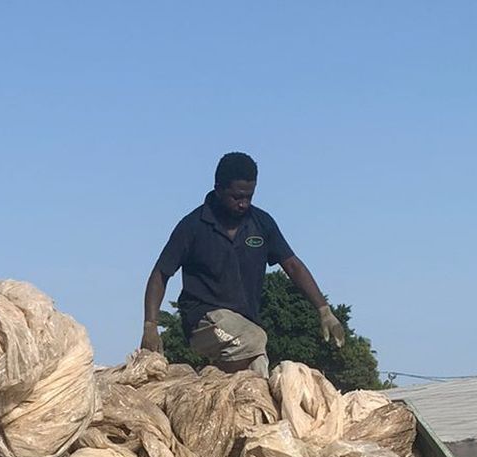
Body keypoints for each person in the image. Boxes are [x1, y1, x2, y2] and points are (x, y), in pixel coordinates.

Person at [141, 151, 346, 375]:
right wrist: (150, 324)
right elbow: (160, 274)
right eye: (237, 197)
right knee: (254, 339)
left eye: (249, 196)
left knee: (258, 368)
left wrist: (323, 310)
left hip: (244, 326)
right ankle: (210, 375)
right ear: (219, 189)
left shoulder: (262, 223)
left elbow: (293, 265)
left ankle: (215, 383)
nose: (243, 204)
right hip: (204, 323)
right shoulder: (192, 227)